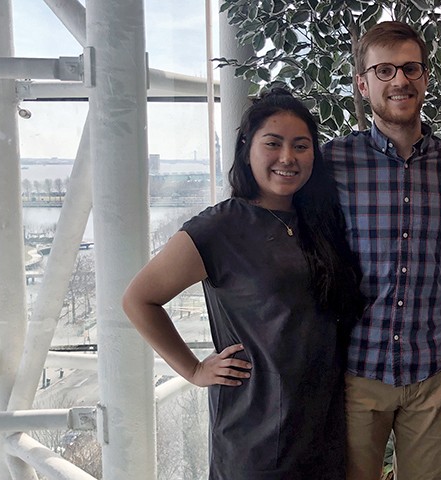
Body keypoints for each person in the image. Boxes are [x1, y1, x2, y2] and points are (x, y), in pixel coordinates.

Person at [122, 88, 364, 480]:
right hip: (255, 436)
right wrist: (195, 370)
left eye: (301, 146)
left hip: (322, 430)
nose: (288, 158)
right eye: (273, 143)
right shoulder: (219, 228)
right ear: (247, 148)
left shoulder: (319, 223)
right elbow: (139, 299)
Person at [323, 20, 441, 480]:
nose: (399, 80)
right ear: (363, 84)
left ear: (425, 78)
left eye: (410, 68)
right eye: (384, 70)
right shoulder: (332, 162)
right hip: (357, 370)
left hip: (433, 371)